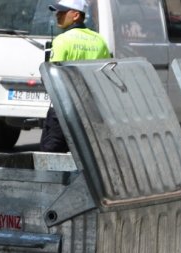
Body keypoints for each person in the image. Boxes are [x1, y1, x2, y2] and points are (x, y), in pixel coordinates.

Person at [39, 0, 110, 153]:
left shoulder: (62, 41)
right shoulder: (100, 41)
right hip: (91, 111)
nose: (58, 15)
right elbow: (104, 76)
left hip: (63, 110)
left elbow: (52, 76)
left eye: (63, 12)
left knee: (51, 159)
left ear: (76, 15)